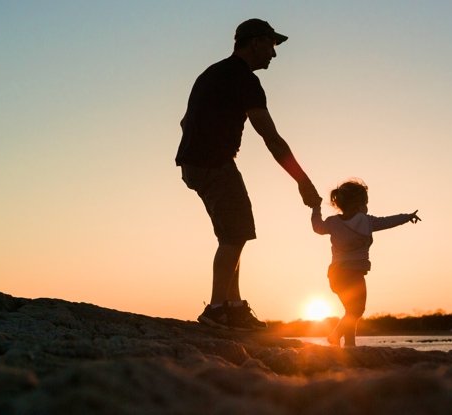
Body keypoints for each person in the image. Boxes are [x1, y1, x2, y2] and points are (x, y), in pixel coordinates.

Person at [177, 19, 322, 331]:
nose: (274, 54)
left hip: (195, 163)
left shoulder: (213, 73)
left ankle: (233, 306)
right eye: (271, 45)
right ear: (254, 42)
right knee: (236, 232)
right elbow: (271, 138)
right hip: (213, 163)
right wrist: (303, 181)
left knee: (234, 232)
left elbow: (184, 121)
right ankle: (216, 310)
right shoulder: (244, 80)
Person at [311, 179, 420, 347]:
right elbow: (388, 221)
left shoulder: (333, 223)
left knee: (352, 311)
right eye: (365, 202)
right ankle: (345, 343)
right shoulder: (366, 221)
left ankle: (342, 341)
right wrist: (407, 217)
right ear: (359, 204)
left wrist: (315, 208)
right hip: (351, 274)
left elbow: (317, 227)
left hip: (336, 275)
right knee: (355, 311)